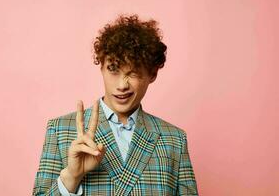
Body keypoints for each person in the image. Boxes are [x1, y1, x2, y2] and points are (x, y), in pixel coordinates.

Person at [32, 14, 198, 195]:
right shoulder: (60, 130)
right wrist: (71, 177)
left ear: (152, 74)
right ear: (101, 67)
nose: (121, 85)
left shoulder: (174, 140)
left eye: (133, 73)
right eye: (113, 69)